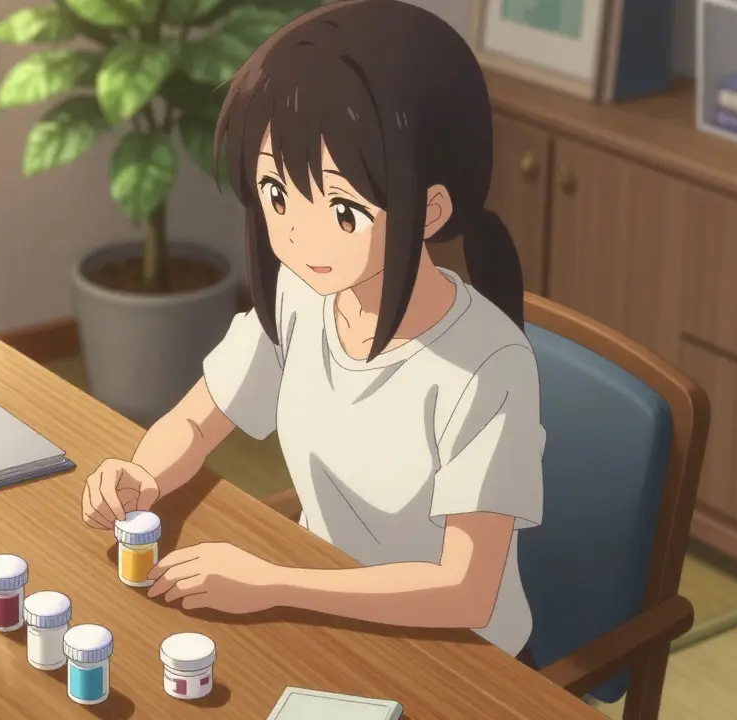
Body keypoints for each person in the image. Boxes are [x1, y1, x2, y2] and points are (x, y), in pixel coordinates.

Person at [78, 0, 545, 658]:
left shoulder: (487, 366)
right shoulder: (300, 295)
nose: (296, 234)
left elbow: (465, 590)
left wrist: (274, 584)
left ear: (431, 207)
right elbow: (197, 421)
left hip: (457, 656)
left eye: (342, 209)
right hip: (330, 620)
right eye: (275, 193)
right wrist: (142, 475)